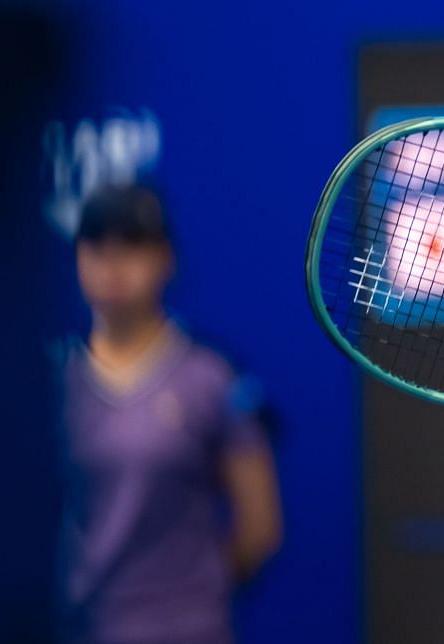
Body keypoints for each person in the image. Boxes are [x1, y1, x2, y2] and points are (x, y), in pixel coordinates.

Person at [57, 184, 282, 644]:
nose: (113, 263)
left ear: (166, 258)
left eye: (132, 244)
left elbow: (259, 527)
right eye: (97, 245)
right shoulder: (52, 384)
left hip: (192, 628)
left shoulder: (211, 379)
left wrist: (193, 597)